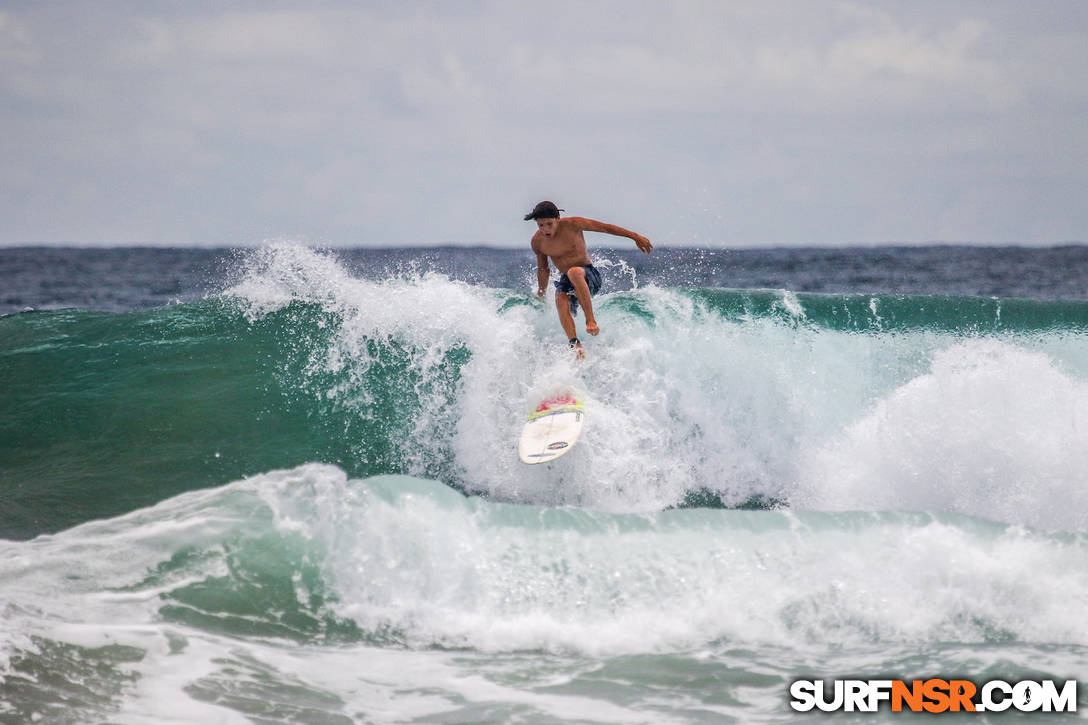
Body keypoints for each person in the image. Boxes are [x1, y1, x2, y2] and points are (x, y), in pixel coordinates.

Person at [526, 200, 653, 357]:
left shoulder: (574, 225)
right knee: (560, 298)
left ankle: (590, 321)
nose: (545, 229)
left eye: (549, 224)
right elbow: (543, 269)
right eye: (541, 225)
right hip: (567, 280)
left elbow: (606, 228)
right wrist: (541, 292)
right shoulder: (537, 242)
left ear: (558, 218)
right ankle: (575, 345)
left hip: (588, 275)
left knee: (574, 272)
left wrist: (635, 236)